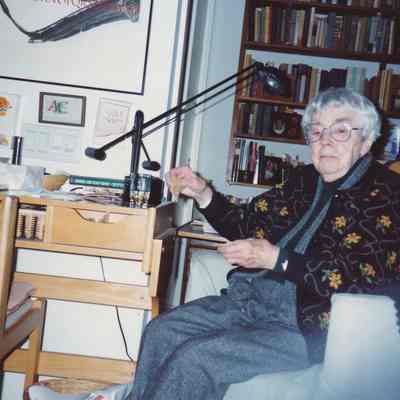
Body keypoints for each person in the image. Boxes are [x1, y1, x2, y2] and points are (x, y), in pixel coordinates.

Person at [28, 87, 400, 400]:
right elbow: (246, 223)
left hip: (306, 326)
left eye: (340, 131)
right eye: (316, 132)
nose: (325, 141)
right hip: (249, 301)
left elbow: (366, 277)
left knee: (197, 358)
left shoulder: (387, 195)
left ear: (367, 139)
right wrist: (203, 193)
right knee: (162, 330)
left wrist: (277, 259)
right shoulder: (303, 180)